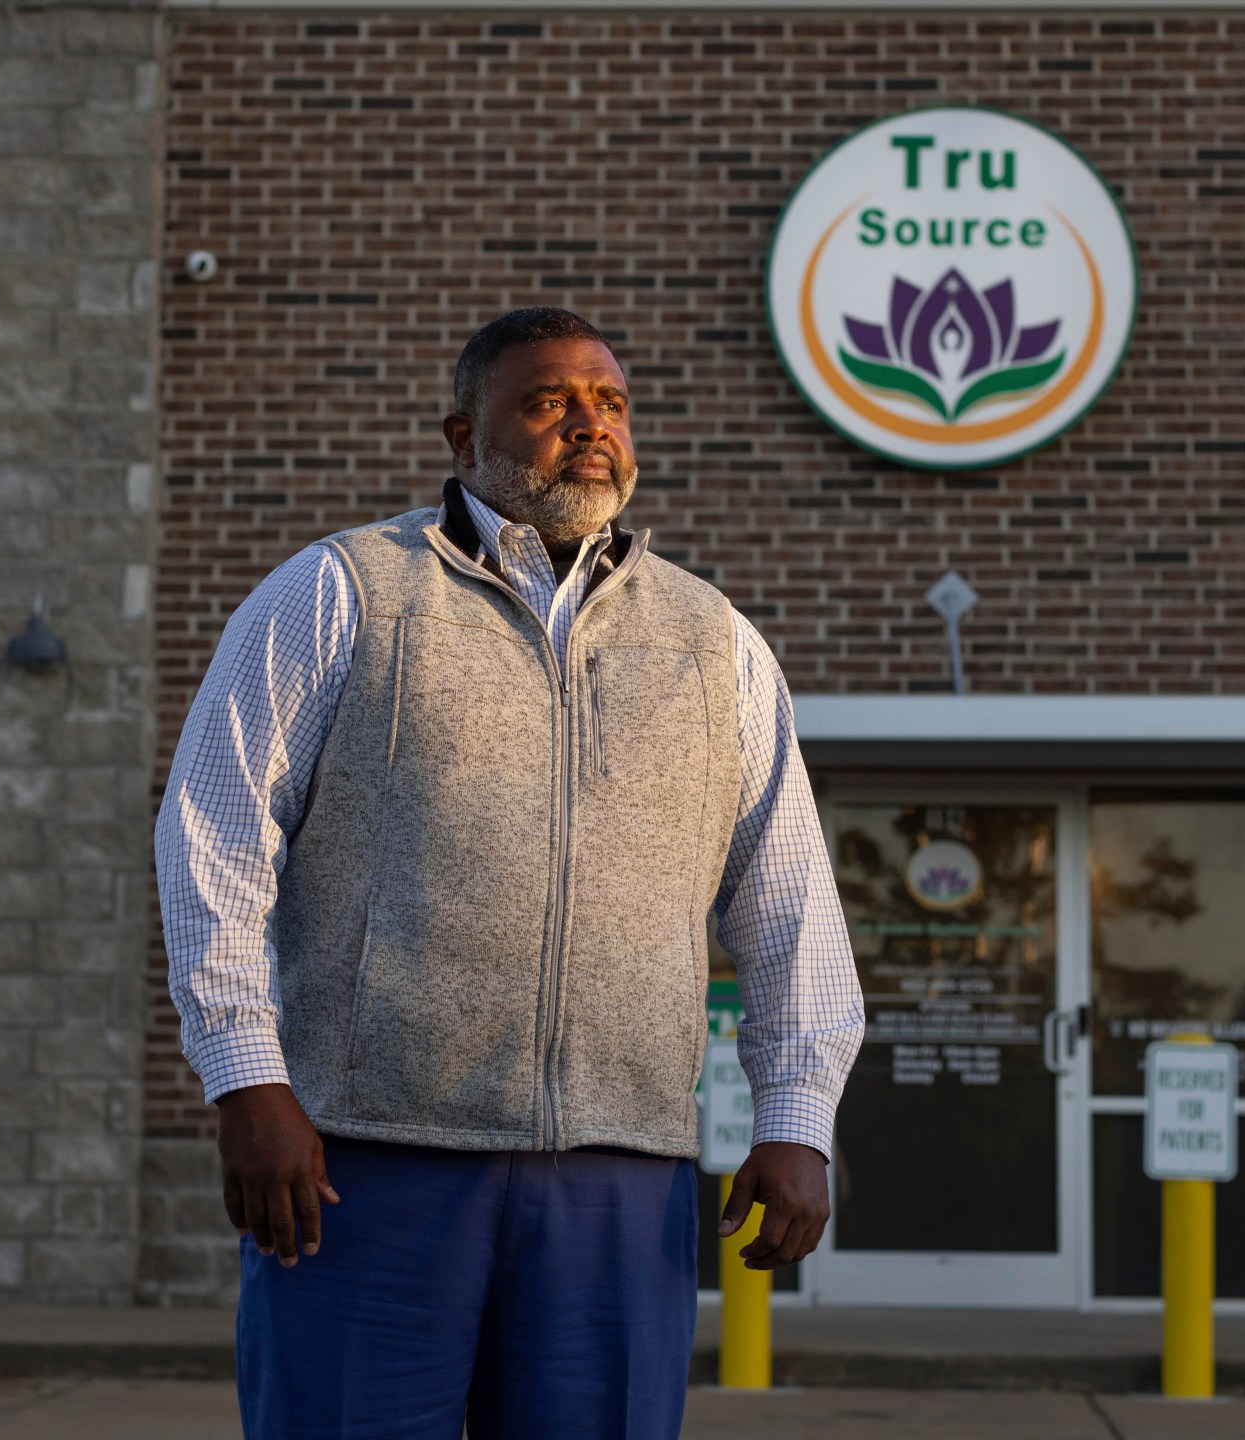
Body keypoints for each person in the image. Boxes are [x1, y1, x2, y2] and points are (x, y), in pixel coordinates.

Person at [154, 306, 864, 1439]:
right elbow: (213, 838)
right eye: (548, 401)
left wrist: (796, 1117)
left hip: (618, 1178)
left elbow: (787, 898)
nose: (590, 426)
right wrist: (247, 1080)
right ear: (462, 433)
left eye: (611, 403)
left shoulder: (713, 637)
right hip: (370, 1164)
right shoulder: (340, 593)